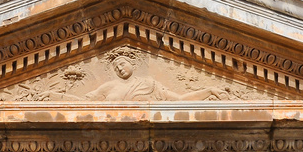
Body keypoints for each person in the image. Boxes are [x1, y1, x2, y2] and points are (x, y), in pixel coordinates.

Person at [83, 48, 228, 101]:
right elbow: (85, 100)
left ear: (132, 64)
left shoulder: (149, 84)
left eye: (122, 64)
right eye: (116, 68)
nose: (119, 69)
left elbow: (179, 99)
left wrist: (209, 91)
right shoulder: (109, 86)